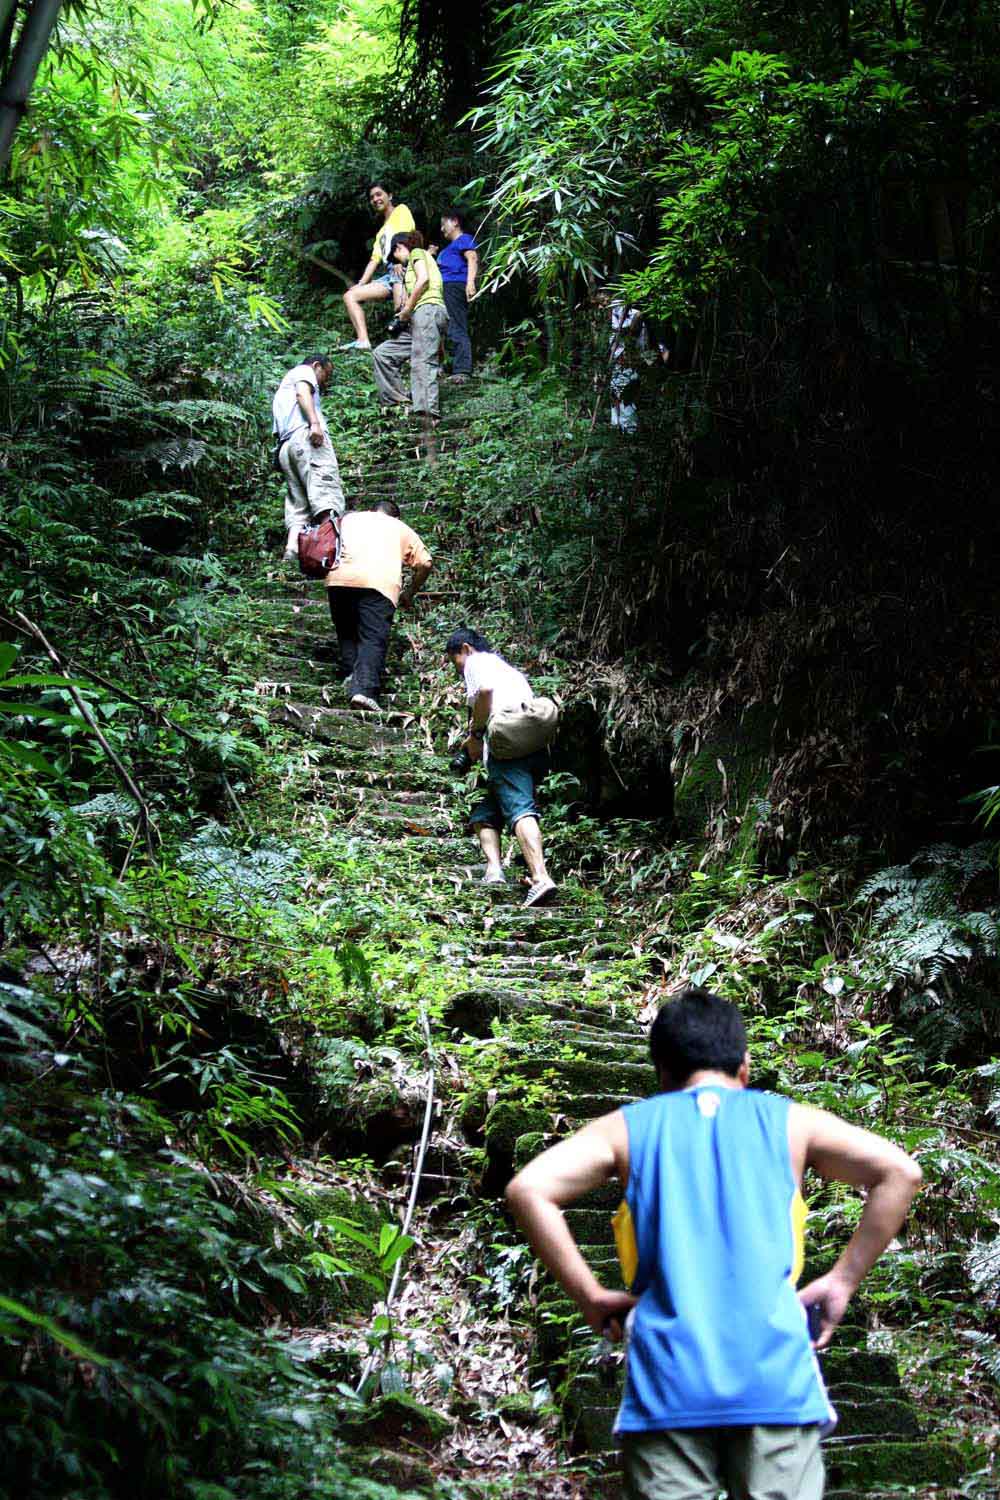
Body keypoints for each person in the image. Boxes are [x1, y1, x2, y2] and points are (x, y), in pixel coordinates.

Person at [505, 985, 924, 1500]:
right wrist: (842, 1280)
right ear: (744, 1067)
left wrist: (589, 1296)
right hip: (775, 1382)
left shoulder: (626, 1131)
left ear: (662, 1072)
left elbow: (527, 1189)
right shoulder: (793, 1124)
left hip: (667, 1384)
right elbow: (900, 1173)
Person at [444, 628, 557, 907]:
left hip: (504, 749)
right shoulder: (508, 671)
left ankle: (540, 877)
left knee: (519, 808)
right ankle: (494, 870)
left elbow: (485, 692)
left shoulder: (477, 662)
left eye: (454, 659)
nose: (456, 667)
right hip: (524, 746)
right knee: (485, 809)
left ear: (466, 648)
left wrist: (475, 734)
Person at [327, 500, 432, 712]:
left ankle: (351, 676)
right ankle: (364, 691)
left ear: (371, 510)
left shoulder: (348, 520)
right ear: (396, 516)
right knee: (372, 637)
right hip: (379, 586)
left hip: (338, 580)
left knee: (347, 631)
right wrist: (410, 592)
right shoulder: (400, 527)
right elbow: (425, 563)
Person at [372, 232, 449, 431]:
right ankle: (398, 402)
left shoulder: (417, 253)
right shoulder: (412, 267)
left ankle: (427, 414)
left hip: (427, 310)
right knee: (383, 354)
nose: (398, 260)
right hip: (419, 318)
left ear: (399, 247)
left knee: (422, 361)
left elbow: (423, 280)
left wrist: (407, 309)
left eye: (396, 256)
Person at [271, 355, 345, 561]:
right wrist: (315, 423)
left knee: (299, 502)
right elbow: (303, 392)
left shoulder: (282, 389)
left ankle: (292, 549)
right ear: (316, 366)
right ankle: (331, 549)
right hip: (306, 439)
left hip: (286, 446)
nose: (325, 381)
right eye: (326, 374)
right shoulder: (303, 372)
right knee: (325, 492)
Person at [342, 182, 415, 352]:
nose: (375, 199)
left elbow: (406, 237)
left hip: (404, 265)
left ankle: (413, 351)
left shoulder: (401, 211)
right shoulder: (381, 232)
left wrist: (399, 262)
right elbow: (374, 260)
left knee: (401, 311)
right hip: (390, 272)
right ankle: (363, 340)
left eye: (379, 194)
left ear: (390, 195)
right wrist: (361, 283)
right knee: (350, 296)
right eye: (372, 197)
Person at [436, 207, 479, 383]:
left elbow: (472, 258)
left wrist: (470, 283)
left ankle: (462, 370)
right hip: (445, 288)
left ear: (455, 222)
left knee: (457, 325)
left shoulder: (464, 239)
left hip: (455, 286)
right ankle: (450, 365)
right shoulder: (449, 247)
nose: (441, 229)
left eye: (443, 224)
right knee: (446, 327)